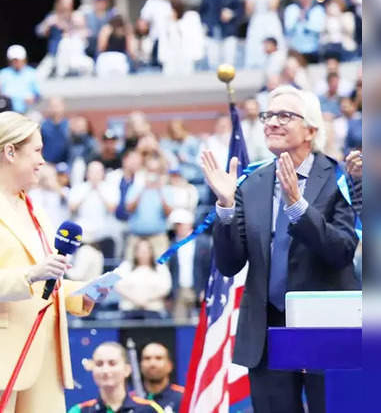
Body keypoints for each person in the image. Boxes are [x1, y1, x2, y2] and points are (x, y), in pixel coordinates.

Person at [202, 85, 359, 413]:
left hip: (326, 326)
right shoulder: (252, 183)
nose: (272, 122)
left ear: (311, 130)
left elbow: (342, 249)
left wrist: (299, 207)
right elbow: (230, 265)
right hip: (268, 328)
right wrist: (226, 205)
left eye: (285, 115)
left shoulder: (338, 177)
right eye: (268, 116)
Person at [0, 111, 101, 412]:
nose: (43, 161)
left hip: (43, 357)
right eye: (38, 151)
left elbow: (42, 282)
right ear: (10, 152)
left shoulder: (34, 209)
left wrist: (78, 293)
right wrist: (31, 274)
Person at [68, 342, 164, 413]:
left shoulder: (149, 409)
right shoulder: (79, 410)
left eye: (112, 363)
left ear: (127, 369)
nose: (105, 370)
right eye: (99, 364)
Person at [199, 0, 243, 69]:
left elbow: (240, 12)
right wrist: (206, 25)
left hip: (228, 33)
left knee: (229, 63)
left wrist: (231, 14)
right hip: (212, 33)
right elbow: (202, 12)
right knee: (213, 62)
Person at [137, 342, 183, 412]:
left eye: (158, 358)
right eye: (147, 358)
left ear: (170, 365)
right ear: (140, 365)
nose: (152, 364)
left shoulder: (184, 397)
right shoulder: (132, 399)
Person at [0, 44, 41, 113]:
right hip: (7, 111)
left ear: (24, 59)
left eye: (18, 59)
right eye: (13, 60)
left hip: (29, 111)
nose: (16, 62)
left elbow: (39, 95)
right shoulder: (2, 73)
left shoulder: (32, 73)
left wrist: (34, 99)